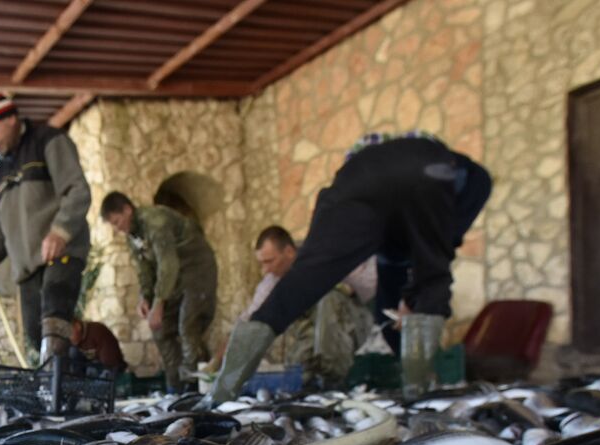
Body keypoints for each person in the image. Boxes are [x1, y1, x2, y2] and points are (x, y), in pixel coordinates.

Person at [207, 132, 491, 402]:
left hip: (352, 183)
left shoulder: (458, 189)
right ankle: (418, 390)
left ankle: (222, 392)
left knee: (302, 281)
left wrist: (410, 298)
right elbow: (432, 260)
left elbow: (391, 289)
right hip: (426, 170)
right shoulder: (463, 184)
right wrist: (418, 294)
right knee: (432, 279)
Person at [0, 89, 92, 365]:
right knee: (36, 335)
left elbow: (77, 190)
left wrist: (61, 230)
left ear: (10, 118)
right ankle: (81, 378)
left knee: (54, 322)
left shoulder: (49, 141)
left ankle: (58, 394)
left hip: (61, 251)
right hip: (26, 268)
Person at [211, 226, 374, 389]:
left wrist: (343, 284)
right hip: (314, 334)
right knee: (297, 373)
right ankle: (313, 384)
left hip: (355, 326)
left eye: (269, 261)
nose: (265, 270)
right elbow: (250, 319)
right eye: (262, 263)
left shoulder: (323, 257)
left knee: (329, 299)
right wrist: (218, 362)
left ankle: (334, 383)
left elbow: (370, 282)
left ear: (289, 252)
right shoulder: (273, 279)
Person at [101, 191, 217, 393]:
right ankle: (176, 388)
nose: (118, 228)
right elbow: (145, 270)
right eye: (113, 224)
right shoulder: (133, 236)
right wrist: (145, 297)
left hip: (196, 269)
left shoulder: (155, 222)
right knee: (160, 329)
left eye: (117, 221)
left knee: (187, 326)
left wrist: (159, 302)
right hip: (173, 278)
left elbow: (168, 264)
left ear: (128, 209)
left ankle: (197, 389)